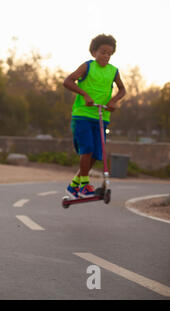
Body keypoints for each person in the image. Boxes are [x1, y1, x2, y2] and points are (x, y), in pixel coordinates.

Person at [63, 34, 126, 198]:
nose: (106, 56)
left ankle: (74, 184)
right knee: (87, 148)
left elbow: (122, 89)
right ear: (94, 52)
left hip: (101, 116)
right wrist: (84, 94)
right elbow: (68, 81)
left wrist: (114, 101)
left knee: (97, 153)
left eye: (109, 54)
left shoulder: (113, 71)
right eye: (103, 52)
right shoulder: (87, 66)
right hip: (83, 115)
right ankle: (84, 184)